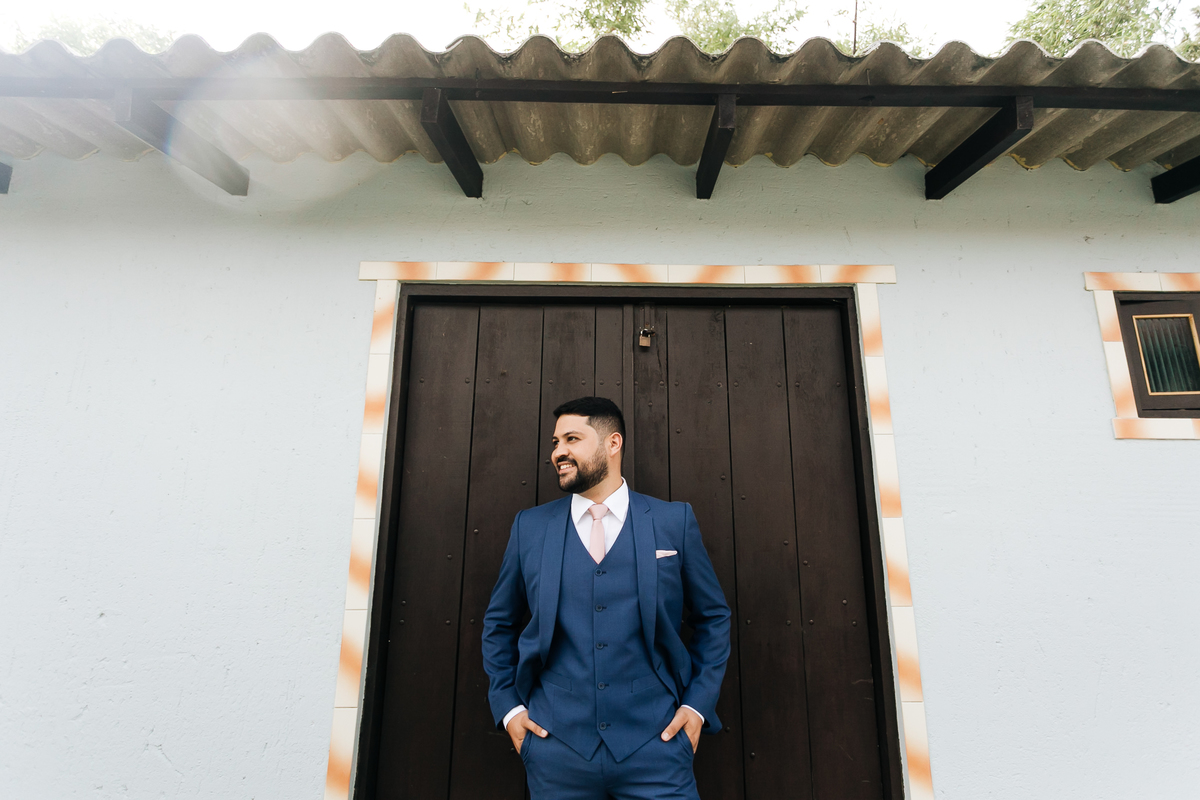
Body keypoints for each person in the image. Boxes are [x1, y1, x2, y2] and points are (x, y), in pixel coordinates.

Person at [482, 396, 732, 800]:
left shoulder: (673, 521)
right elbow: (499, 624)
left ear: (613, 443)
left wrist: (697, 706)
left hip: (658, 746)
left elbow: (714, 617)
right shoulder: (530, 527)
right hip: (556, 750)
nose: (558, 452)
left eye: (572, 439)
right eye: (555, 442)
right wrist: (509, 709)